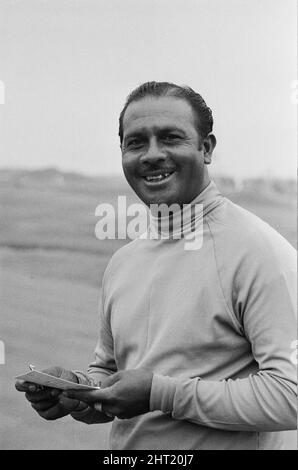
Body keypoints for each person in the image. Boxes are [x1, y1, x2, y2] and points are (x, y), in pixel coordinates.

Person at [16, 81, 297, 450]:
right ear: (122, 153)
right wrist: (77, 392)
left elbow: (290, 395)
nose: (151, 154)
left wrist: (159, 394)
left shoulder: (258, 251)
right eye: (136, 142)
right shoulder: (124, 262)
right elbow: (112, 378)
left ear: (206, 148)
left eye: (170, 138)